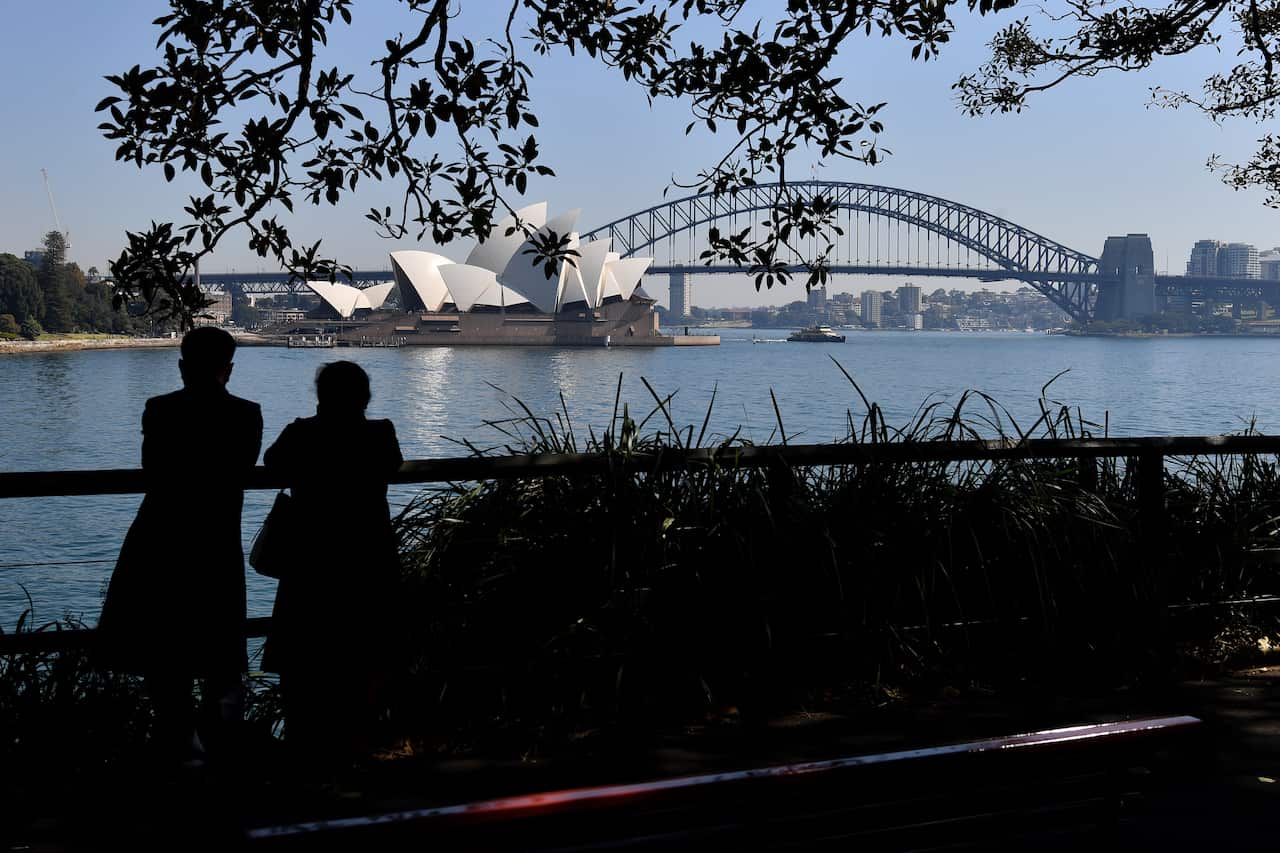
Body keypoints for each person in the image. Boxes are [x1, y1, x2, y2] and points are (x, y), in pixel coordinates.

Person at [99, 327, 263, 766]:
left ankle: (178, 742)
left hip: (161, 536)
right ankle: (220, 746)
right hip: (216, 540)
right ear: (227, 370)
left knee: (163, 646)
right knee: (220, 647)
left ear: (181, 367)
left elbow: (153, 469)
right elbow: (242, 469)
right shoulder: (247, 415)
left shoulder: (159, 409)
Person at [261, 360, 402, 767]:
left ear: (320, 394)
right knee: (367, 649)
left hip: (311, 558)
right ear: (365, 396)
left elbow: (273, 463)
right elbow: (392, 465)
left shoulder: (301, 432)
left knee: (304, 654)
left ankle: (305, 745)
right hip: (368, 555)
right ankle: (360, 743)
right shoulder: (381, 432)